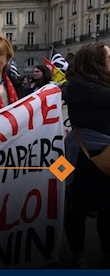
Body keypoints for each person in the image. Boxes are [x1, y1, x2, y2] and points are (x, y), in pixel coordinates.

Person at [64, 43, 110, 268]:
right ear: (96, 61)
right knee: (77, 208)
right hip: (82, 157)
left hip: (105, 155)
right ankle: (77, 251)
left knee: (108, 208)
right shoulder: (78, 86)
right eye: (109, 57)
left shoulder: (101, 83)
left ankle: (106, 250)